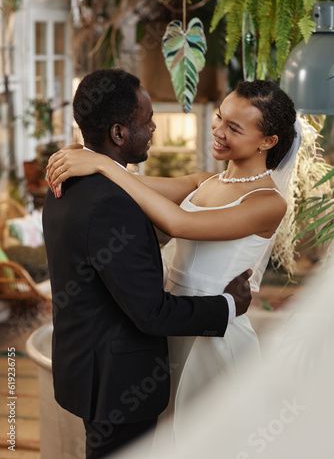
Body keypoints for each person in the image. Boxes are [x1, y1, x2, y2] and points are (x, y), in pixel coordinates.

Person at [47, 76, 300, 446]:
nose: (218, 130)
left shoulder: (267, 202)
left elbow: (178, 223)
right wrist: (88, 160)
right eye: (219, 117)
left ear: (267, 141)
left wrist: (100, 164)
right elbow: (130, 188)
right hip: (173, 325)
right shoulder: (205, 181)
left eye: (234, 127)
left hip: (214, 334)